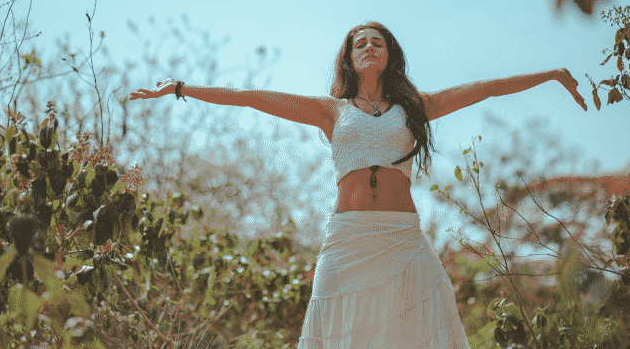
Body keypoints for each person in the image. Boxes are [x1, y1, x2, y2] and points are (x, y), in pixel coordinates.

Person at [129, 21, 587, 348]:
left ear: (390, 55)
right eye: (360, 43)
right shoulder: (331, 110)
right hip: (347, 239)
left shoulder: (415, 106)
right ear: (349, 57)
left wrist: (548, 74)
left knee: (419, 330)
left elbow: (485, 88)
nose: (369, 47)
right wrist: (181, 87)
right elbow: (252, 99)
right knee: (338, 333)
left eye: (378, 42)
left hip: (401, 238)